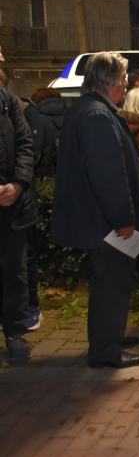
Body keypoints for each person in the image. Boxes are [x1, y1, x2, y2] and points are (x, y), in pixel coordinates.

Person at [51, 52, 139, 368]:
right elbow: (108, 174)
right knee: (111, 283)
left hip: (98, 219)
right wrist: (123, 220)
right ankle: (106, 349)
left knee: (111, 282)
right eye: (123, 79)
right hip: (105, 224)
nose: (125, 84)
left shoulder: (89, 110)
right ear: (109, 82)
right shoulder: (98, 116)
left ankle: (111, 336)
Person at [0, 68, 36, 363]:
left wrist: (18, 184)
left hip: (12, 207)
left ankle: (15, 333)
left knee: (15, 272)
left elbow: (25, 145)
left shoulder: (8, 102)